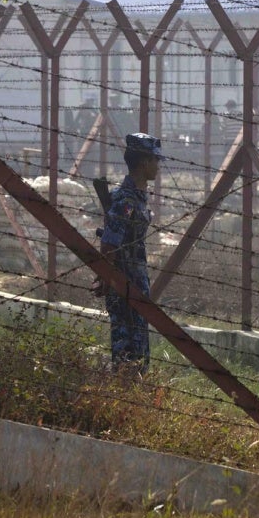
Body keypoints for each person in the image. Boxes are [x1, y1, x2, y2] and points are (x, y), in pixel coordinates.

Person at [92, 133, 163, 372]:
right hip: (123, 282)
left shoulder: (137, 197)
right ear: (144, 163)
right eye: (155, 160)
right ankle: (125, 391)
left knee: (139, 343)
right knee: (127, 348)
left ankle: (134, 390)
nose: (158, 165)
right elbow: (110, 243)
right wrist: (106, 277)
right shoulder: (126, 200)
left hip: (135, 281)